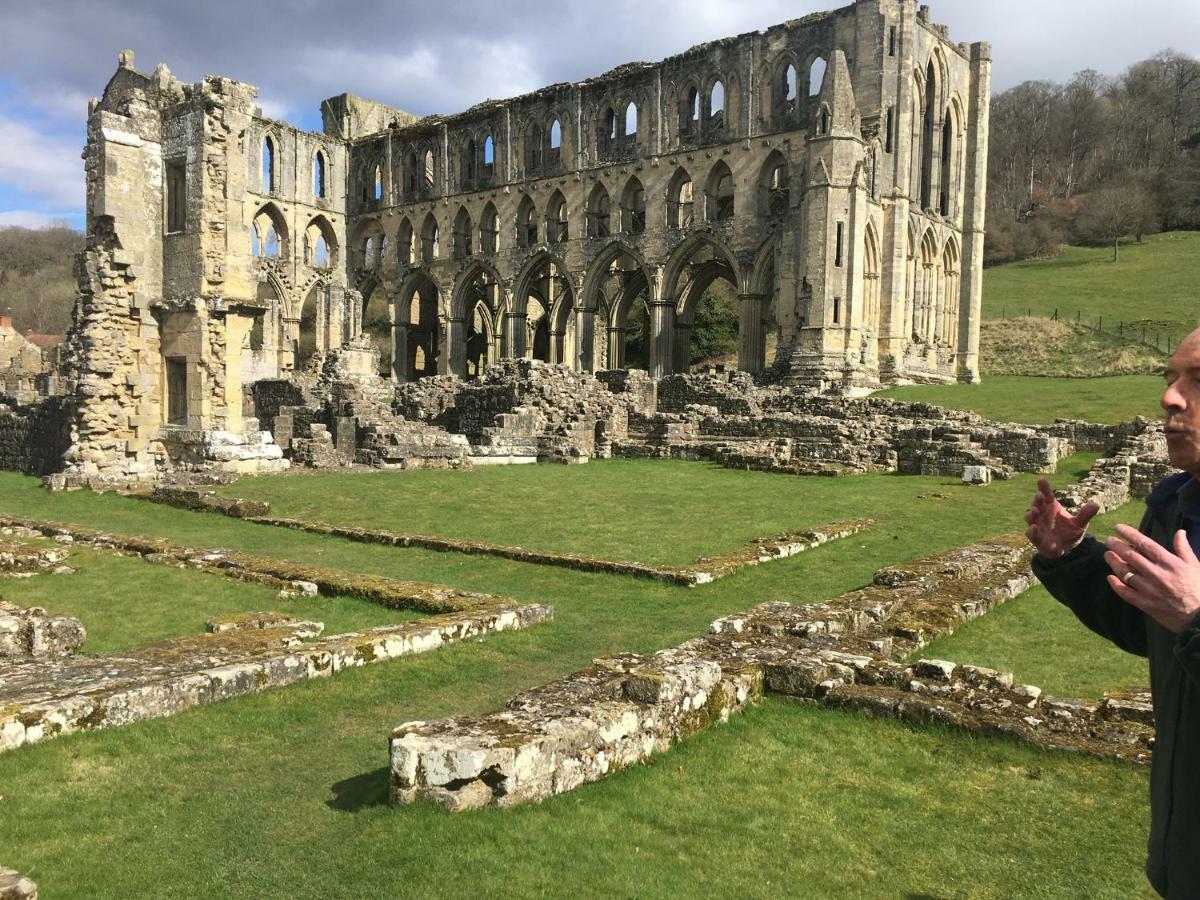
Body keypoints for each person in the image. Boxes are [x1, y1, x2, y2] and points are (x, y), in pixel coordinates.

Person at [1026, 325, 1200, 898]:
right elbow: (1145, 627)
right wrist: (1074, 557)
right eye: (1170, 378)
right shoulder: (1175, 507)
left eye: (1197, 381)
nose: (1170, 397)